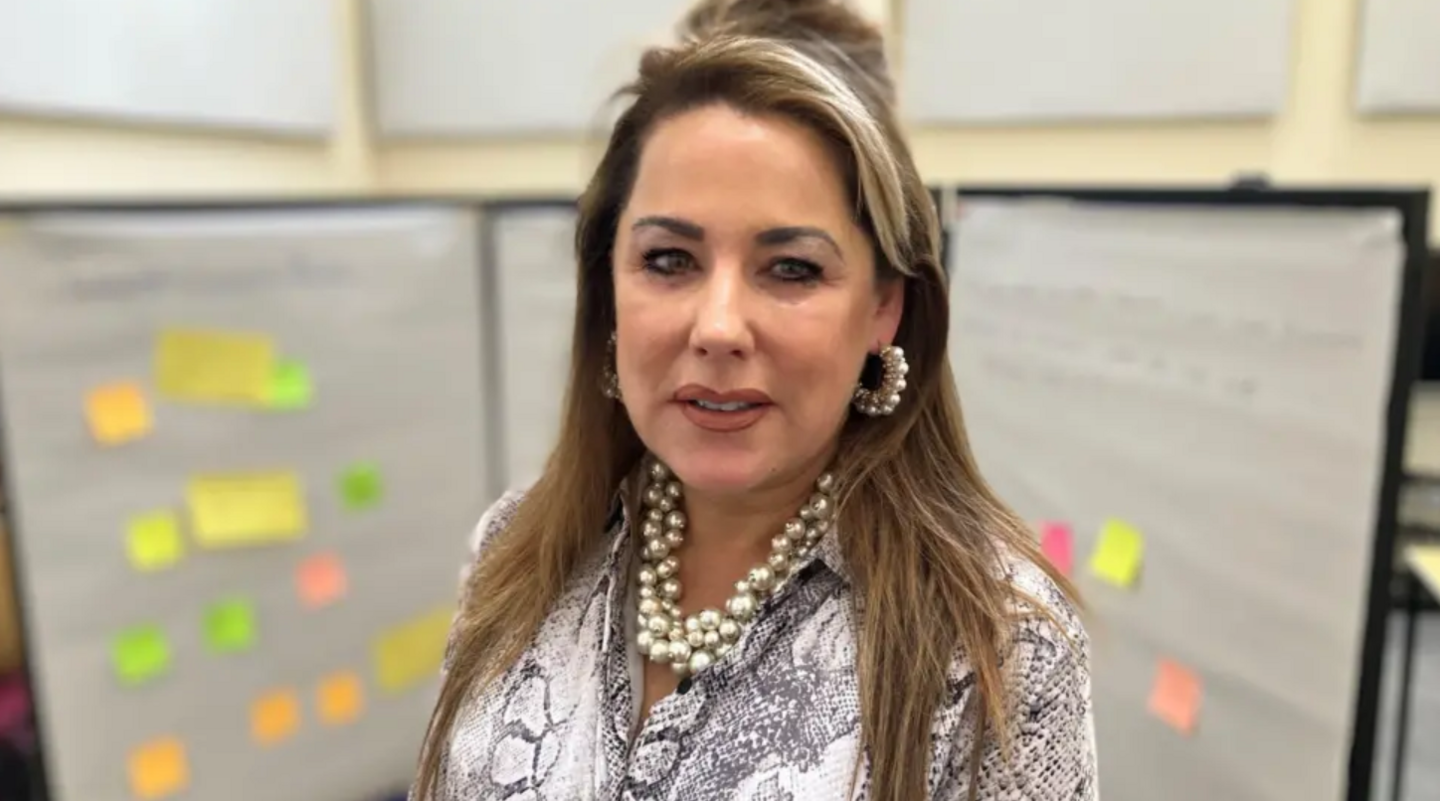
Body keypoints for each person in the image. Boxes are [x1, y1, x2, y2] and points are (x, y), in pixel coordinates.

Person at [411, 0, 1096, 798]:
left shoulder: (996, 641)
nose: (720, 327)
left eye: (792, 268)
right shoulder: (513, 549)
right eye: (669, 259)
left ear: (884, 307)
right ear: (608, 288)